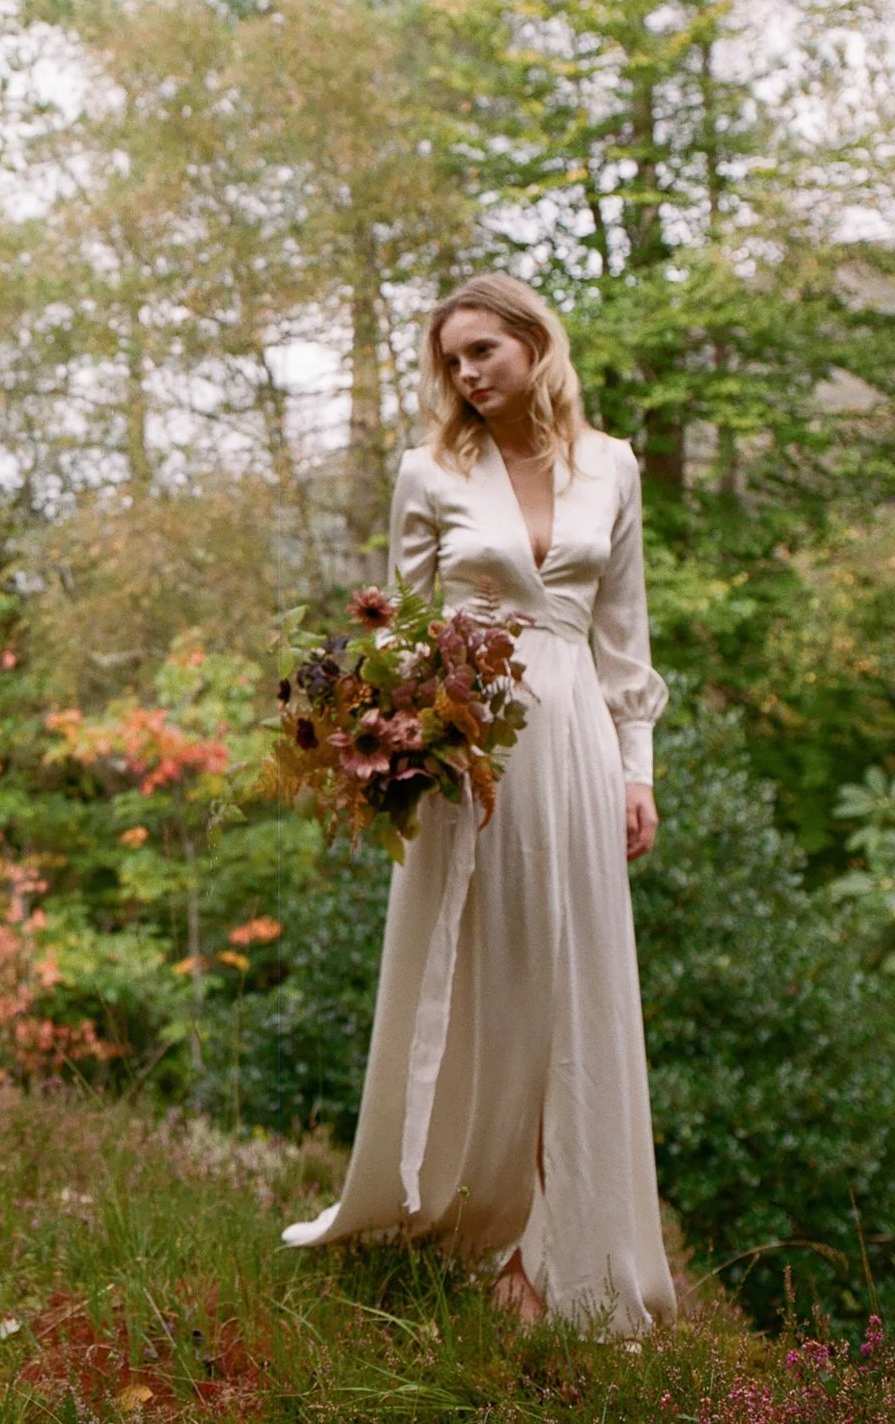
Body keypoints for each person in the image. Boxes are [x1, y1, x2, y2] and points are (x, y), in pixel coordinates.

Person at [280, 272, 675, 1336]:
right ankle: (466, 1213)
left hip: (579, 744)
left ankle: (552, 1248)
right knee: (484, 978)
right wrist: (395, 744)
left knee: (571, 980)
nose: (463, 373)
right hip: (467, 751)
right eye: (450, 359)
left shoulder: (613, 466)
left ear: (535, 343)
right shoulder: (429, 470)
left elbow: (623, 638)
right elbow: (401, 626)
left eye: (482, 351)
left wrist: (636, 768)